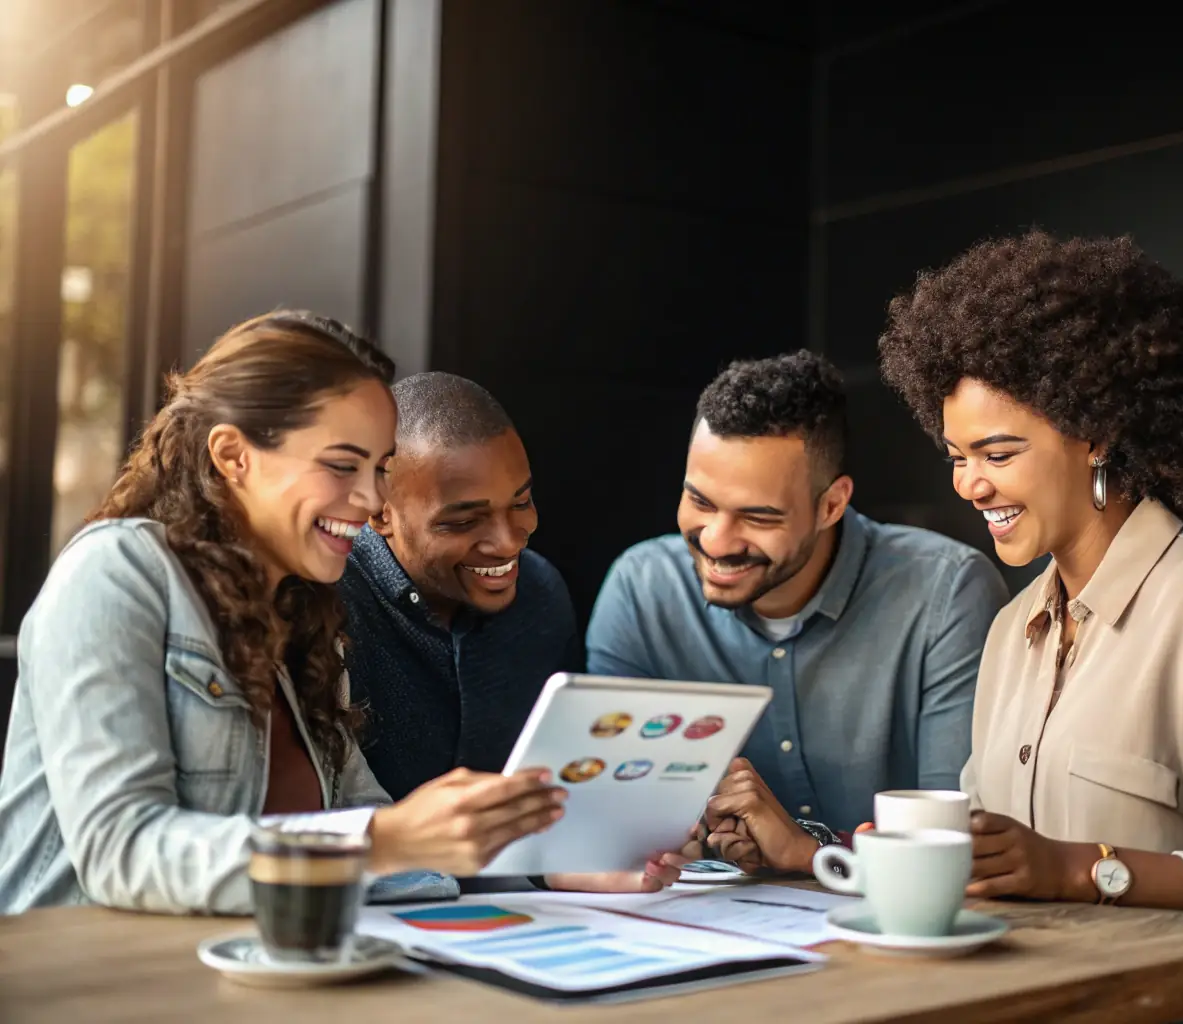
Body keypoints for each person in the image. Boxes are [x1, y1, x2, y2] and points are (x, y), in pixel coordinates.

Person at [0, 312, 681, 915]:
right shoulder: (116, 573)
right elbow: (122, 851)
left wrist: (547, 868)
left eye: (380, 468)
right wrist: (386, 840)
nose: (367, 500)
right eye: (342, 466)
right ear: (233, 455)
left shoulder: (301, 611)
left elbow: (372, 834)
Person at [876, 230, 1183, 1023]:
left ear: (1093, 430)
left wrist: (1078, 870)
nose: (969, 484)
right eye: (955, 456)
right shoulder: (1009, 632)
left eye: (996, 452)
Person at [586, 350, 1007, 875]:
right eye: (700, 502)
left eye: (757, 517)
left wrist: (811, 851)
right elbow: (608, 816)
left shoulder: (945, 593)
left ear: (831, 505)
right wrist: (682, 835)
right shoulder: (641, 589)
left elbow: (954, 842)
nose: (717, 540)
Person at [337, 372, 577, 802]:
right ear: (379, 511)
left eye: (521, 503)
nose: (508, 542)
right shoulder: (332, 605)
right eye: (463, 522)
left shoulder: (542, 594)